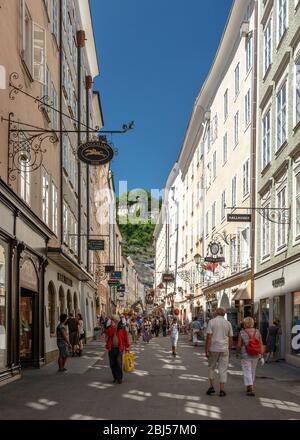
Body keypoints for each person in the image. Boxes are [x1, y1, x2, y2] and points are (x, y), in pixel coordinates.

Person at [205, 308, 233, 397]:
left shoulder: (211, 322)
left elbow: (209, 337)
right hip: (224, 348)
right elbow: (231, 338)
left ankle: (212, 387)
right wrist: (229, 348)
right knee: (223, 369)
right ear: (224, 314)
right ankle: (222, 389)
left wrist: (206, 349)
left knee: (211, 367)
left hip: (213, 348)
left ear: (216, 313)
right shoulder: (228, 323)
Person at [236, 317, 263, 396]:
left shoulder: (242, 332)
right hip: (255, 354)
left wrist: (237, 353)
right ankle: (250, 385)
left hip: (245, 354)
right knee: (252, 370)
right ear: (252, 323)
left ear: (245, 324)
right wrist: (261, 355)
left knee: (247, 370)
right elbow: (261, 344)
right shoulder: (257, 332)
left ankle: (250, 386)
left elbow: (239, 345)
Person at [105, 314, 130, 384]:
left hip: (119, 348)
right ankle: (115, 377)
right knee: (112, 364)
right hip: (111, 348)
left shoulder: (122, 328)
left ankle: (119, 378)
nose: (114, 321)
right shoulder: (109, 327)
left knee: (119, 363)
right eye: (113, 320)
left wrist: (127, 346)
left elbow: (126, 338)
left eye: (115, 320)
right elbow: (109, 334)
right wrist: (112, 327)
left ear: (118, 321)